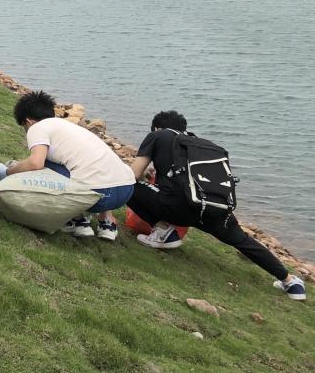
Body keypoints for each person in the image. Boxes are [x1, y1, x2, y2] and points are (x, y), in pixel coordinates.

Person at [128, 110, 306, 301]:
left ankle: (164, 232)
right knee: (243, 241)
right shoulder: (201, 145)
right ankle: (290, 282)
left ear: (157, 128)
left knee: (125, 183)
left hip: (176, 208)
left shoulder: (157, 135)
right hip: (214, 208)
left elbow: (134, 174)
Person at [0, 90, 135, 241]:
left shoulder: (37, 127)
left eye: (23, 127)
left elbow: (35, 163)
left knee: (43, 165)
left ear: (28, 121)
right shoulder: (69, 127)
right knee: (87, 165)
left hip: (96, 195)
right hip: (125, 190)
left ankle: (77, 219)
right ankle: (106, 222)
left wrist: (9, 172)